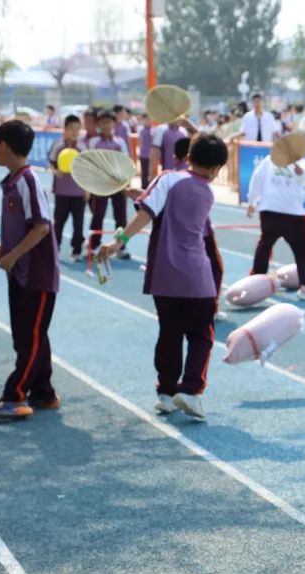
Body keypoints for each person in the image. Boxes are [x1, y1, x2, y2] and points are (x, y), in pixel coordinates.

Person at [98, 134, 228, 420]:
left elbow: (146, 214)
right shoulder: (207, 194)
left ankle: (167, 393)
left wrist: (118, 242)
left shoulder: (168, 179)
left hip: (164, 275)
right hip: (196, 277)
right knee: (201, 336)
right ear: (217, 169)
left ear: (188, 157)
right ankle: (190, 390)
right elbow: (199, 232)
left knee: (169, 333)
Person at [0, 120, 60, 419]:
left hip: (36, 275)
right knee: (29, 335)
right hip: (20, 271)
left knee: (30, 337)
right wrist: (4, 249)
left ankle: (14, 396)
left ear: (3, 145)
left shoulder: (28, 181)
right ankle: (43, 391)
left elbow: (41, 227)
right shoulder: (13, 182)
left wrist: (13, 255)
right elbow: (23, 228)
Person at [245, 147, 305, 301]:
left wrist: (252, 201)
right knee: (303, 250)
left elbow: (300, 176)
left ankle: (255, 280)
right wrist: (251, 201)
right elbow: (259, 177)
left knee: (265, 245)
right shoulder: (280, 161)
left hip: (269, 211)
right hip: (291, 214)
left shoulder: (299, 163)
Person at [87, 111, 130, 260]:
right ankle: (94, 246)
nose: (106, 125)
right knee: (98, 216)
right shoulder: (93, 142)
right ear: (98, 124)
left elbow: (126, 162)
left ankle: (121, 247)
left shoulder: (120, 142)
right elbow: (90, 162)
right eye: (103, 122)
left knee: (121, 218)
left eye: (109, 122)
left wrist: (126, 184)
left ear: (114, 124)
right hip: (100, 185)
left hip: (118, 184)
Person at [47, 114, 88, 261]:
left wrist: (86, 190)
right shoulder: (58, 144)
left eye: (78, 129)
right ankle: (55, 248)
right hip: (61, 192)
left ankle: (77, 250)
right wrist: (55, 170)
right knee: (59, 222)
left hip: (78, 193)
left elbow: (87, 170)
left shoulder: (82, 147)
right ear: (65, 129)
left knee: (79, 223)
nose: (75, 132)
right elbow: (51, 162)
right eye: (71, 128)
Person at [138, 113, 154, 188]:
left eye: (150, 119)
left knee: (152, 173)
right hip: (143, 155)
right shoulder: (140, 130)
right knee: (144, 173)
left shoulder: (154, 130)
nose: (148, 121)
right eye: (147, 119)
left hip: (152, 156)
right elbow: (139, 142)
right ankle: (144, 188)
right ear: (143, 120)